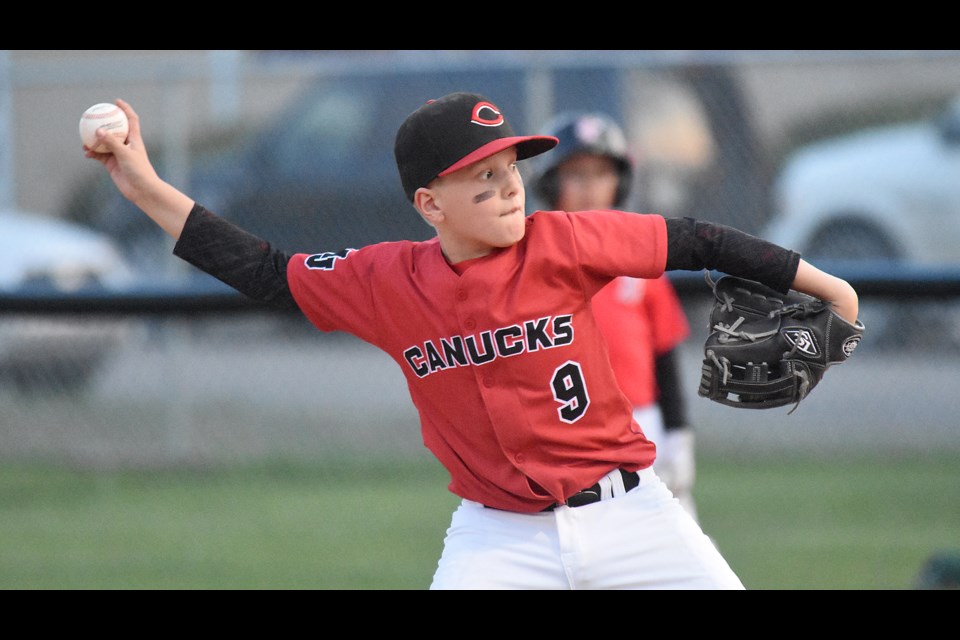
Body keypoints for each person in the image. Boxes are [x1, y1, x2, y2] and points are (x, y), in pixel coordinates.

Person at [85, 92, 859, 590]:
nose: (508, 186)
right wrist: (145, 185)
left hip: (632, 515)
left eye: (510, 168)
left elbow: (693, 239)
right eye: (479, 178)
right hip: (499, 539)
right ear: (430, 203)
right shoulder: (386, 281)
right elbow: (264, 271)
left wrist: (824, 283)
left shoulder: (567, 241)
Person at [530, 112, 699, 520]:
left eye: (602, 173)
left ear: (620, 182)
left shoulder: (640, 254)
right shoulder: (534, 258)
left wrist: (678, 435)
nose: (590, 187)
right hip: (566, 429)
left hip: (642, 423)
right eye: (576, 174)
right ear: (551, 184)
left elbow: (664, 353)